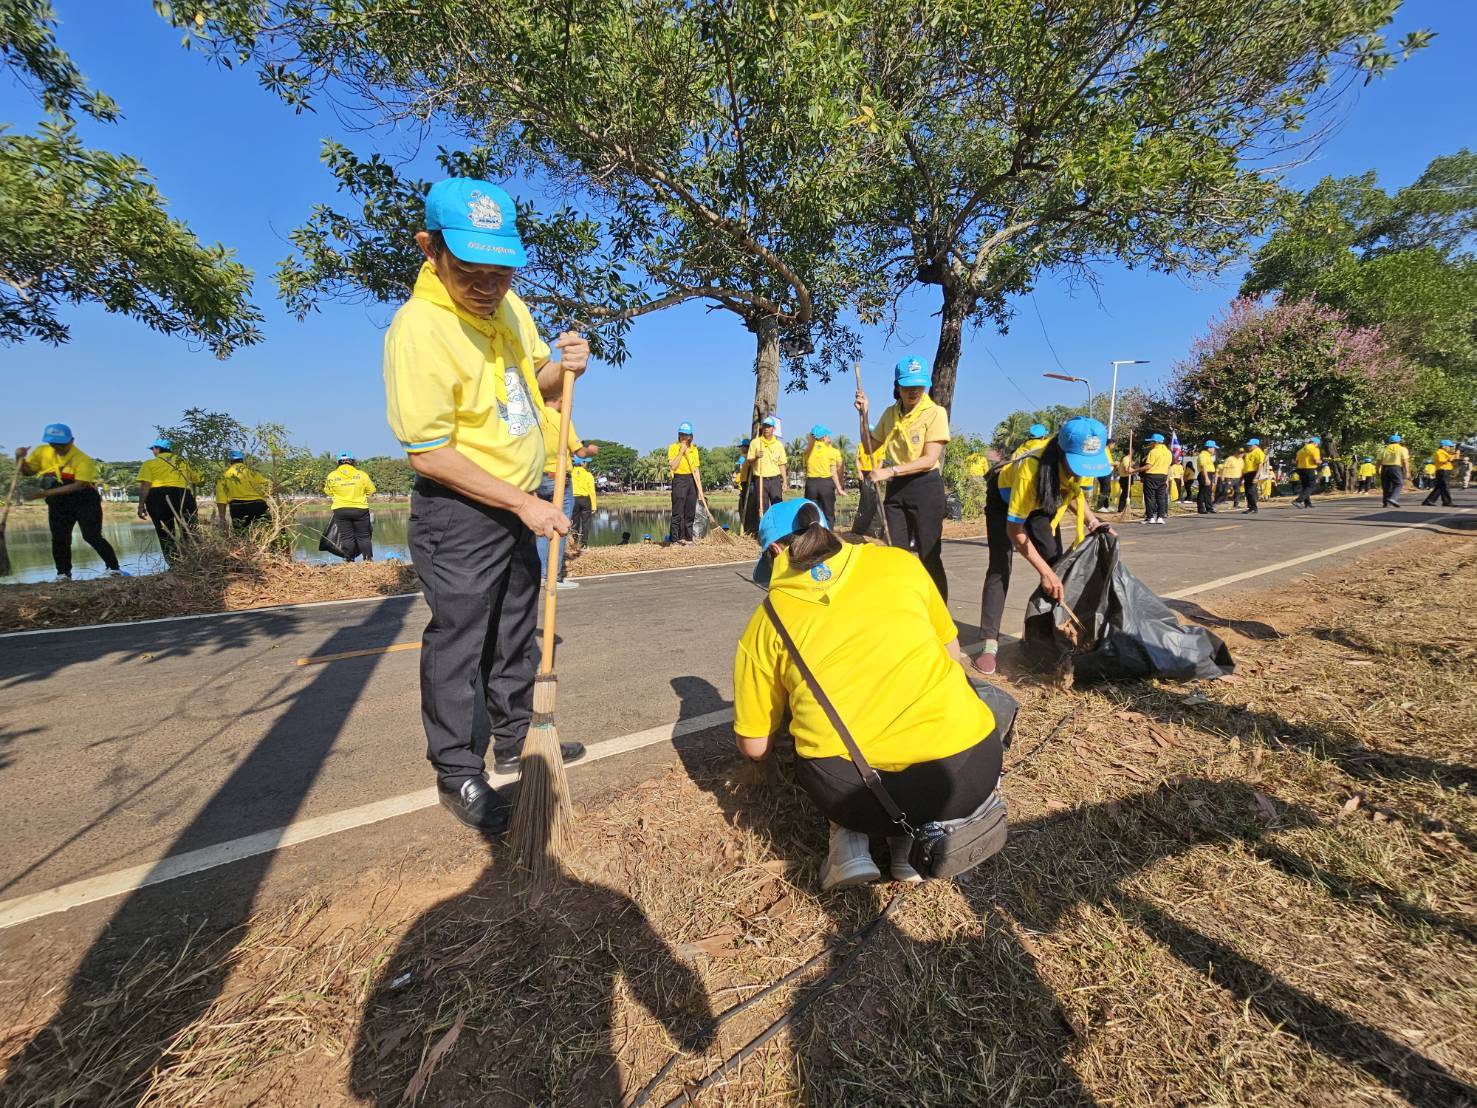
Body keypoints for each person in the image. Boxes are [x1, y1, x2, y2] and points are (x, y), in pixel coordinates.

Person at [382, 176, 590, 831]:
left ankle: (519, 742)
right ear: (429, 249)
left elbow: (539, 385)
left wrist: (569, 364)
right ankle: (458, 772)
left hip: (515, 503)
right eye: (471, 272)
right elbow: (429, 453)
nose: (488, 287)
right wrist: (523, 506)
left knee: (513, 634)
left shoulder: (508, 307)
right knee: (461, 641)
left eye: (500, 272)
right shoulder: (419, 331)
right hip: (459, 510)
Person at [734, 499, 1012, 889]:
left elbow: (755, 746)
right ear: (829, 531)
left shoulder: (767, 621)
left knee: (803, 730)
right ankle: (906, 850)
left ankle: (847, 844)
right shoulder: (900, 563)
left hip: (855, 797)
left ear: (775, 552)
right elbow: (951, 656)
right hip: (972, 769)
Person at [969, 417, 1115, 677]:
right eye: (1078, 464)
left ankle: (1047, 640)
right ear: (1061, 452)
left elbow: (1075, 492)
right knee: (1001, 566)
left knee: (1057, 564)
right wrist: (1044, 572)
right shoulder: (1032, 469)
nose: (1082, 471)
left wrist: (1094, 522)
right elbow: (1015, 531)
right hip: (1005, 504)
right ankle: (989, 644)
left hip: (1043, 503)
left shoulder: (1077, 468)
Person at [854, 356, 951, 600]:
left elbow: (930, 459)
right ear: (897, 386)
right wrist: (864, 415)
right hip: (897, 490)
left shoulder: (935, 413)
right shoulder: (890, 414)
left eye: (919, 385)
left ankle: (939, 615)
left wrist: (889, 471)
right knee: (896, 555)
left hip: (926, 487)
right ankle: (905, 606)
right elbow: (868, 447)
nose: (914, 391)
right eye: (908, 385)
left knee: (929, 554)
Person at [14, 423, 124, 581]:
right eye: (54, 444)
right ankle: (63, 573)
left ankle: (114, 569)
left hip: (84, 500)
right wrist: (19, 457)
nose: (58, 447)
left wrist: (43, 493)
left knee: (91, 535)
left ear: (71, 441)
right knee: (60, 537)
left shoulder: (82, 460)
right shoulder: (41, 452)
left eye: (61, 444)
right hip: (58, 502)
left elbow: (80, 485)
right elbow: (28, 471)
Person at [538, 391, 596, 584]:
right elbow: (579, 451)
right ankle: (553, 575)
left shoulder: (536, 415)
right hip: (559, 478)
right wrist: (591, 450)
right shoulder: (562, 421)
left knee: (541, 526)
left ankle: (541, 573)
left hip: (537, 477)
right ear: (559, 400)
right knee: (560, 527)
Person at [136, 436, 201, 565]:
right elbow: (199, 481)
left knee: (165, 531)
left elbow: (145, 485)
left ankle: (174, 564)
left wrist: (141, 506)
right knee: (190, 530)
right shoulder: (184, 462)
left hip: (157, 498)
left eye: (153, 449)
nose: (152, 452)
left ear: (157, 449)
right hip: (182, 495)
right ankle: (195, 561)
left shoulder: (149, 464)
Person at [323, 453, 377, 561]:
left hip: (341, 510)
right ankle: (368, 559)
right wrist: (361, 494)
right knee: (364, 536)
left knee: (347, 536)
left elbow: (328, 492)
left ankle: (349, 559)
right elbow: (372, 490)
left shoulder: (332, 476)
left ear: (338, 462)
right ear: (352, 461)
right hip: (360, 509)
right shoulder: (361, 474)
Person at [666, 421, 704, 546]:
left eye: (686, 435)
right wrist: (681, 452)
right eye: (681, 434)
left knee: (690, 511)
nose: (683, 437)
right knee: (677, 511)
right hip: (679, 480)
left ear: (690, 436)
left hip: (691, 480)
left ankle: (688, 539)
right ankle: (674, 539)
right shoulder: (673, 447)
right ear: (679, 435)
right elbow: (673, 465)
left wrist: (700, 490)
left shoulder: (694, 450)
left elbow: (696, 470)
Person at [214, 449, 271, 532]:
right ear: (243, 461)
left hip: (238, 508)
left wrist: (222, 518)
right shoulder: (253, 473)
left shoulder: (224, 477)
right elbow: (267, 486)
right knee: (266, 533)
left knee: (242, 536)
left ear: (229, 462)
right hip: (259, 506)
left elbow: (221, 500)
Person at [745, 417, 787, 523]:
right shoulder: (755, 443)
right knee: (762, 507)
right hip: (760, 479)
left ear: (774, 429)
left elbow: (782, 464)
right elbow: (749, 461)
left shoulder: (778, 445)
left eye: (769, 427)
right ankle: (764, 532)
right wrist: (756, 456)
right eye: (765, 426)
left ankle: (778, 532)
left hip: (775, 480)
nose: (766, 429)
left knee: (777, 506)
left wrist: (785, 481)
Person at [803, 425, 844, 525]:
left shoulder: (807, 451)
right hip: (826, 484)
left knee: (811, 512)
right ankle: (828, 532)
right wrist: (839, 488)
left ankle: (812, 534)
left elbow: (805, 464)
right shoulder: (831, 451)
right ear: (825, 436)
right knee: (828, 512)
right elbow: (834, 472)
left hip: (811, 484)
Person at [1133, 432, 1171, 524]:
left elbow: (1148, 466)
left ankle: (1150, 517)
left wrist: (1134, 470)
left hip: (1151, 476)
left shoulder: (1153, 452)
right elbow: (1168, 467)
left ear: (1155, 442)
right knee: (1161, 497)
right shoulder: (1168, 452)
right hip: (1163, 476)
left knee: (1150, 497)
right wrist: (1167, 479)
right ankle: (1160, 517)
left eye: (1151, 442)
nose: (1150, 444)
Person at [569, 456, 597, 552]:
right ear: (582, 463)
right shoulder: (588, 475)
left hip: (573, 500)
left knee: (574, 523)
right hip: (585, 500)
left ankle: (575, 544)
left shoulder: (570, 473)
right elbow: (592, 491)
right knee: (586, 523)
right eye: (586, 462)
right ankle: (583, 545)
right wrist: (594, 506)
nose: (587, 464)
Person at [1377, 433, 1411, 506]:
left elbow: (1379, 461)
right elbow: (1405, 461)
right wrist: (1407, 472)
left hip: (1385, 468)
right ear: (1399, 441)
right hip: (1395, 468)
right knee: (1399, 483)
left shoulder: (1383, 449)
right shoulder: (1402, 449)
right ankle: (1393, 498)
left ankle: (1386, 503)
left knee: (1386, 486)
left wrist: (1377, 469)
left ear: (1389, 441)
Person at [1423, 440, 1457, 507]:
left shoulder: (1445, 452)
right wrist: (1451, 457)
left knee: (1439, 487)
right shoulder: (1439, 452)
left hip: (1444, 471)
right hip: (1443, 471)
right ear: (1443, 446)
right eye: (1449, 446)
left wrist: (1454, 454)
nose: (1449, 448)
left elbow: (1451, 458)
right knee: (1445, 487)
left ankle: (1429, 501)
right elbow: (1443, 461)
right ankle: (1447, 502)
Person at [1292, 435, 1321, 509]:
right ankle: (1298, 501)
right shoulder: (1315, 449)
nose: (1318, 445)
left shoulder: (1301, 450)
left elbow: (1296, 461)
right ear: (1315, 443)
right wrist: (1320, 462)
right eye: (1318, 444)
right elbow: (1316, 461)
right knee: (1312, 486)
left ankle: (1307, 503)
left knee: (1305, 486)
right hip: (1310, 469)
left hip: (1301, 469)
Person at [1241, 438, 1266, 514]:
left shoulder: (1259, 452)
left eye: (1250, 445)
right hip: (1247, 474)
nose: (1249, 446)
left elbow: (1260, 465)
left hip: (1253, 473)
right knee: (1247, 491)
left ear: (1255, 445)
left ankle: (1254, 508)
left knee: (1251, 491)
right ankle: (1250, 507)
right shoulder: (1249, 453)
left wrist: (1256, 476)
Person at [1196, 440, 1218, 514]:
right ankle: (1201, 508)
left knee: (1207, 492)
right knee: (1203, 492)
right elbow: (1203, 467)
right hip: (1205, 474)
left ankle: (1209, 507)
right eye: (1214, 448)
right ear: (1209, 448)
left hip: (1209, 474)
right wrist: (1206, 478)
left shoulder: (1208, 455)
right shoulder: (1203, 455)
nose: (1214, 449)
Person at [1097, 435, 1116, 510]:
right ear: (1110, 444)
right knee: (1105, 489)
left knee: (1107, 489)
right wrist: (1115, 463)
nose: (1114, 446)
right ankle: (1101, 505)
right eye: (1113, 445)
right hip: (1104, 472)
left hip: (1107, 472)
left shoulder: (1107, 451)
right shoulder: (1104, 450)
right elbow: (1107, 462)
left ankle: (1105, 505)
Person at [1114, 445, 1134, 513]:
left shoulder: (1127, 458)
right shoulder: (1126, 458)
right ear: (1130, 452)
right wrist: (1133, 470)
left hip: (1126, 477)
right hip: (1125, 478)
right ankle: (1121, 508)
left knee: (1126, 493)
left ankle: (1124, 507)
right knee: (1126, 493)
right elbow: (1126, 469)